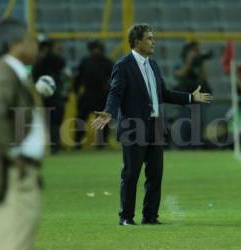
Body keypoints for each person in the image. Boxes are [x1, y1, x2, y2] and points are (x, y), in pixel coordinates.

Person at [92, 24, 212, 225]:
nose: (153, 41)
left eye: (152, 37)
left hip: (155, 126)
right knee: (131, 175)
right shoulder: (123, 65)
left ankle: (150, 216)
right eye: (149, 38)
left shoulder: (153, 65)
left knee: (155, 175)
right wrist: (109, 112)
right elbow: (116, 93)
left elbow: (164, 93)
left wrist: (191, 97)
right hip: (134, 128)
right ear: (137, 42)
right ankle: (126, 217)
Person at [0, 18, 44, 250]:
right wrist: (14, 155)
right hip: (13, 172)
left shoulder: (11, 73)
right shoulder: (4, 75)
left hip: (16, 170)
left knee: (6, 237)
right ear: (15, 44)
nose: (34, 46)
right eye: (29, 41)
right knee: (14, 240)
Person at [74, 40, 113, 149]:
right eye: (94, 48)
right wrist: (76, 92)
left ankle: (101, 143)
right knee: (81, 119)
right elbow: (78, 79)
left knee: (102, 120)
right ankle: (77, 142)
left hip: (102, 95)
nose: (96, 51)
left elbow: (115, 79)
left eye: (98, 48)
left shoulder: (107, 62)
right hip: (88, 94)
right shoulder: (85, 62)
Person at [32, 37, 69, 154]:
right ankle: (54, 145)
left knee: (53, 121)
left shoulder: (44, 61)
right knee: (52, 121)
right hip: (49, 96)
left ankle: (54, 144)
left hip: (51, 96)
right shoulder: (51, 61)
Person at [173, 41, 213, 146]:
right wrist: (189, 62)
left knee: (198, 122)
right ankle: (183, 145)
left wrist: (201, 63)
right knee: (185, 122)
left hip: (197, 96)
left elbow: (204, 78)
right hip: (184, 96)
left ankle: (197, 145)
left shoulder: (198, 64)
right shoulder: (180, 62)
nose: (196, 52)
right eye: (194, 50)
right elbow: (179, 74)